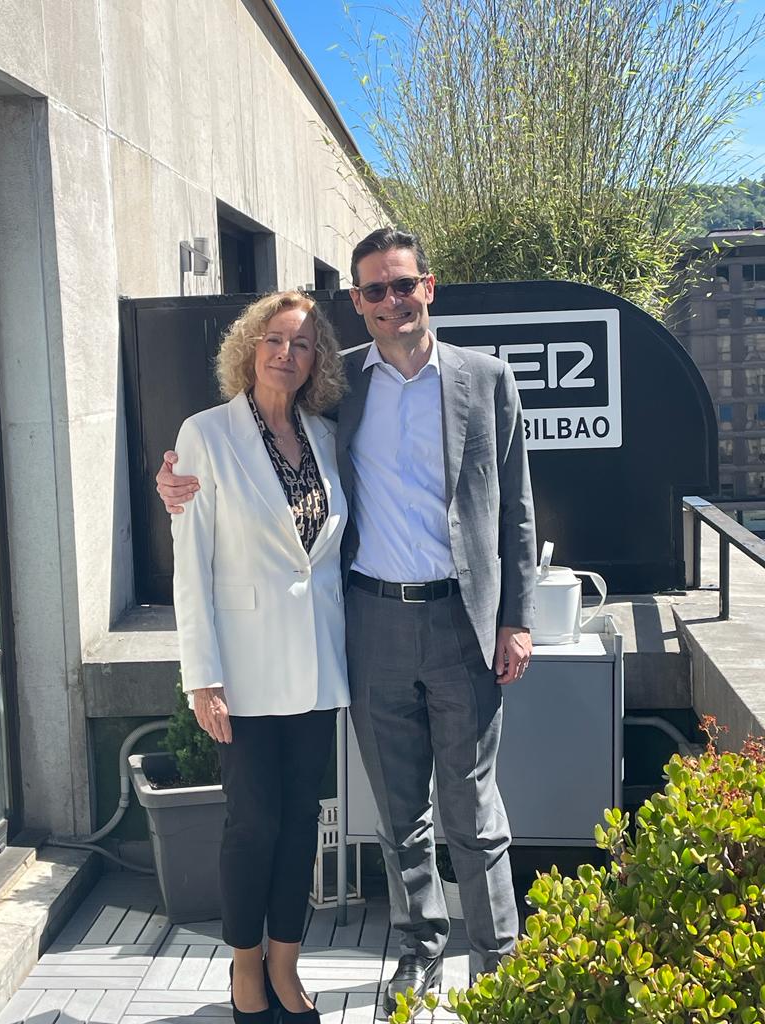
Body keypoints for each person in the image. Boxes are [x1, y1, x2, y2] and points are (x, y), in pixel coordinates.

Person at [158, 228, 536, 1011]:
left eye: (403, 286)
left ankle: (499, 963)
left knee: (473, 808)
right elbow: (230, 470)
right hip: (372, 628)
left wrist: (516, 618)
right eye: (374, 291)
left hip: (463, 625)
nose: (392, 301)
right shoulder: (344, 390)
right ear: (359, 305)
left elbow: (517, 511)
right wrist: (170, 483)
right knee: (401, 813)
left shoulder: (485, 380)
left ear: (428, 288)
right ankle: (419, 951)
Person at [170, 290, 349, 1024]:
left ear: (317, 362)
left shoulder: (326, 437)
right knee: (252, 823)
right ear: (250, 347)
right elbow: (192, 565)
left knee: (303, 818)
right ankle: (244, 965)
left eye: (302, 345)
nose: (286, 354)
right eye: (274, 340)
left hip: (314, 666)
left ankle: (285, 962)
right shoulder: (206, 436)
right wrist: (201, 677)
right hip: (240, 672)